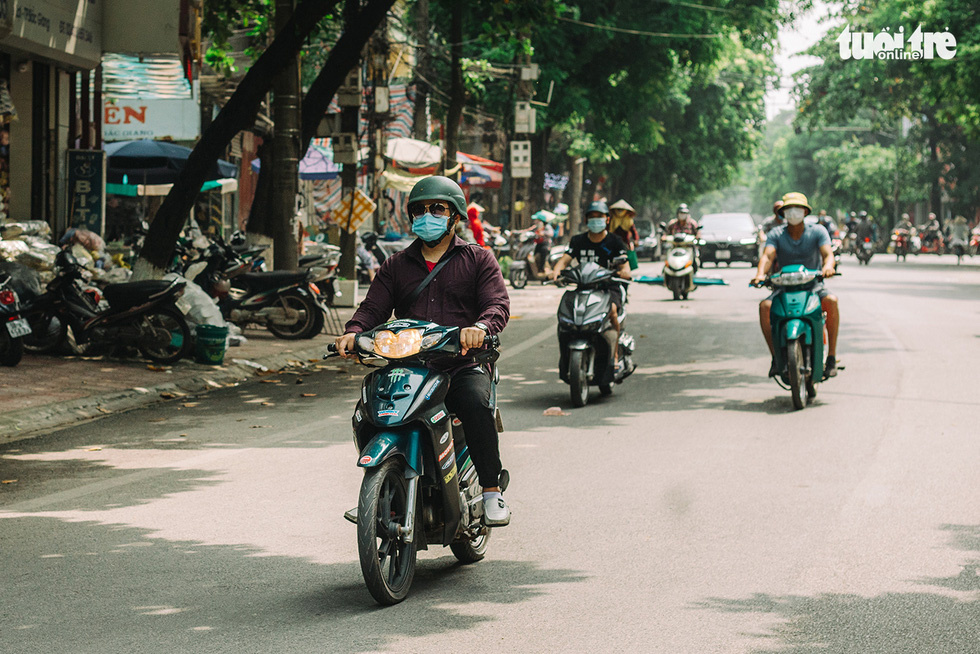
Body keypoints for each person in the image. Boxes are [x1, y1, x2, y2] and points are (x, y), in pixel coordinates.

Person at [335, 176, 512, 526]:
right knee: (367, 409)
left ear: (455, 216)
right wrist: (353, 333)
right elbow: (372, 309)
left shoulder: (479, 260)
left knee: (476, 404)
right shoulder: (396, 265)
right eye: (419, 209)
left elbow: (497, 305)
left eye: (436, 208)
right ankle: (378, 491)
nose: (426, 216)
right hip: (409, 366)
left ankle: (491, 491)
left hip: (460, 365)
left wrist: (479, 329)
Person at [751, 191, 839, 379]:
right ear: (782, 213)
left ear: (805, 212)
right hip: (783, 288)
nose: (793, 213)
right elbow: (767, 256)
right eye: (788, 209)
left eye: (797, 209)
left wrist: (828, 267)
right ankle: (776, 358)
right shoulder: (776, 234)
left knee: (831, 301)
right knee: (765, 307)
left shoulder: (818, 231)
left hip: (813, 287)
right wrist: (760, 274)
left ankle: (831, 357)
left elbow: (827, 254)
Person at [550, 200, 632, 368]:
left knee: (613, 311)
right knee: (567, 316)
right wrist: (556, 271)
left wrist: (624, 272)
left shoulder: (615, 242)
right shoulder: (578, 241)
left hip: (609, 288)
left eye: (599, 217)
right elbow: (564, 260)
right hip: (583, 287)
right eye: (592, 217)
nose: (596, 220)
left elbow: (625, 266)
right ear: (586, 220)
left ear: (607, 220)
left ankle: (614, 353)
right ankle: (565, 358)